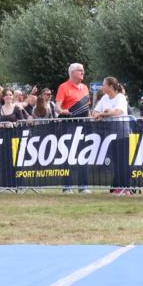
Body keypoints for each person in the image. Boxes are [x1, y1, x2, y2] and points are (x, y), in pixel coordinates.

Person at [91, 76, 132, 195]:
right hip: (110, 133)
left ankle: (125, 188)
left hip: (122, 132)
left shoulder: (120, 97)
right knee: (116, 161)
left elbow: (117, 112)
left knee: (123, 161)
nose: (102, 87)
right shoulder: (104, 98)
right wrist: (104, 113)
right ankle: (118, 187)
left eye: (104, 84)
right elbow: (94, 112)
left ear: (110, 86)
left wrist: (103, 114)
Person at [56, 62, 91, 193]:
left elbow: (87, 107)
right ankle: (67, 186)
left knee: (83, 154)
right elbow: (57, 107)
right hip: (68, 124)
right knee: (67, 154)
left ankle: (83, 186)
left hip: (83, 125)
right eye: (80, 70)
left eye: (83, 70)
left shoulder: (85, 88)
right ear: (72, 73)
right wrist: (62, 111)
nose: (83, 72)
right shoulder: (63, 87)